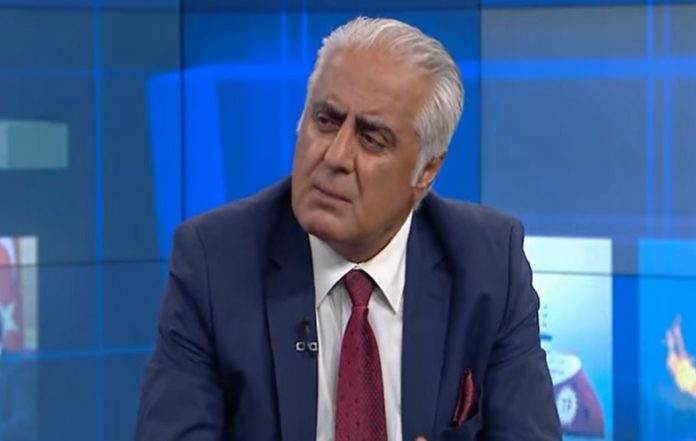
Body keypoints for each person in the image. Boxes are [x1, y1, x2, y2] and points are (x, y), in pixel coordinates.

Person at [136, 16, 561, 441]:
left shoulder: (488, 264)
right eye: (325, 120)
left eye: (371, 139)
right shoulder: (215, 261)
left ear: (427, 171)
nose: (335, 157)